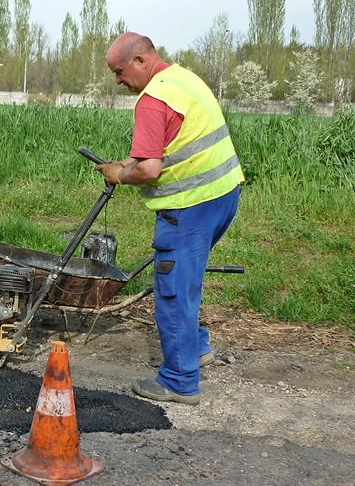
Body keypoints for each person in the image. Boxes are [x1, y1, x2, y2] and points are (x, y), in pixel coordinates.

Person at [96, 32, 244, 405]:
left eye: (119, 72)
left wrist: (120, 175)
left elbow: (149, 170)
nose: (118, 81)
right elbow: (168, 145)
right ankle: (197, 348)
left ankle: (179, 380)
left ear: (141, 61)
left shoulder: (150, 100)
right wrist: (124, 163)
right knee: (189, 278)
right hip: (223, 196)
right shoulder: (182, 79)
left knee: (174, 288)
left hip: (189, 207)